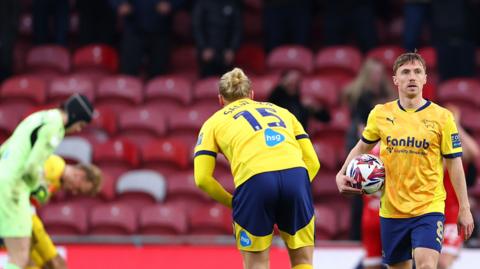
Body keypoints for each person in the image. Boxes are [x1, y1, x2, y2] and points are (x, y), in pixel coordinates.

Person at [335, 52, 474, 269]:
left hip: (429, 208)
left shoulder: (442, 117)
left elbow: (455, 164)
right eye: (406, 72)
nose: (412, 77)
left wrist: (464, 208)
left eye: (418, 72)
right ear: (395, 80)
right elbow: (362, 147)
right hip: (392, 210)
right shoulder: (380, 114)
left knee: (427, 265)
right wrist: (341, 173)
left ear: (425, 78)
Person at [194, 68, 320, 269]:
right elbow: (313, 162)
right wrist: (299, 189)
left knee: (257, 265)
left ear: (220, 100)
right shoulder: (282, 112)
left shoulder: (213, 123)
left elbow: (202, 178)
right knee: (303, 261)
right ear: (252, 95)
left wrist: (233, 202)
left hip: (255, 182)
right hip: (296, 177)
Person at [0, 93, 94, 269]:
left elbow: (5, 147)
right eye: (80, 125)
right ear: (74, 115)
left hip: (2, 181)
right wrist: (39, 185)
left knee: (19, 256)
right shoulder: (55, 127)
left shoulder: (37, 117)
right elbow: (31, 167)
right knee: (19, 258)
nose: (78, 130)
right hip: (14, 188)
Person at [1, 154, 103, 269]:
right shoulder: (54, 166)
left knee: (34, 262)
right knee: (50, 262)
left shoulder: (56, 181)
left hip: (15, 214)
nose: (74, 192)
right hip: (12, 210)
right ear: (80, 175)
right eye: (78, 189)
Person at [342, 58, 395, 241]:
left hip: (377, 142)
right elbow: (360, 125)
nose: (377, 77)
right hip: (361, 141)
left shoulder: (386, 95)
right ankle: (357, 237)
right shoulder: (359, 96)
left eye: (379, 73)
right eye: (374, 73)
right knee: (359, 191)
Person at [438, 104, 479, 269]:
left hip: (453, 214)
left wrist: (456, 127)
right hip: (432, 212)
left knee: (442, 263)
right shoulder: (436, 147)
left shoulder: (457, 146)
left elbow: (474, 153)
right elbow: (438, 171)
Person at [192, 0, 242, 78]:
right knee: (207, 84)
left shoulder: (233, 3)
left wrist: (232, 49)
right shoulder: (202, 3)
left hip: (226, 53)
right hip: (207, 53)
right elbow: (197, 27)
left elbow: (237, 29)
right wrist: (203, 48)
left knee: (227, 85)